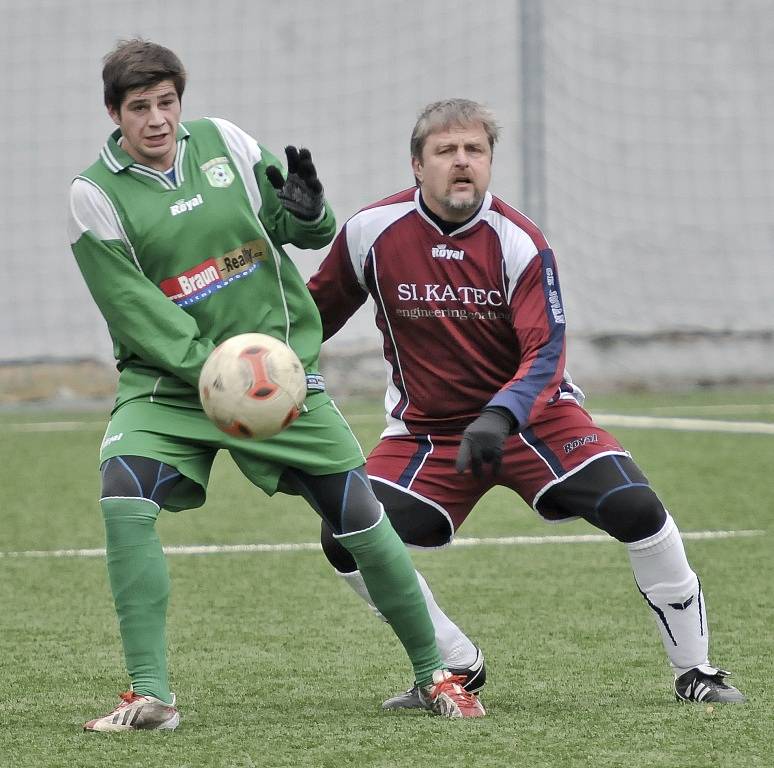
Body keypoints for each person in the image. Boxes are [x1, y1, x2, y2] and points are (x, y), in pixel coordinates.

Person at [67, 42, 485, 731]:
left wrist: (311, 209)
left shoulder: (225, 142)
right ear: (114, 113)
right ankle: (151, 697)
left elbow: (298, 230)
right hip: (169, 386)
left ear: (181, 101)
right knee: (124, 500)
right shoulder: (94, 195)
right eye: (139, 108)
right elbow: (133, 308)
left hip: (275, 374)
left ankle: (436, 675)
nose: (157, 120)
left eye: (167, 103)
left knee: (358, 516)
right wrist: (211, 368)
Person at [307, 98, 746, 709]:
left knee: (638, 508)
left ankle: (697, 672)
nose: (463, 163)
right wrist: (259, 365)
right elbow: (310, 319)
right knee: (345, 535)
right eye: (446, 151)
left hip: (534, 421)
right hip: (428, 435)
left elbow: (546, 352)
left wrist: (503, 412)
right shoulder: (370, 232)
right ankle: (454, 663)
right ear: (417, 164)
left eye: (475, 151)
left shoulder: (519, 242)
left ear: (489, 162)